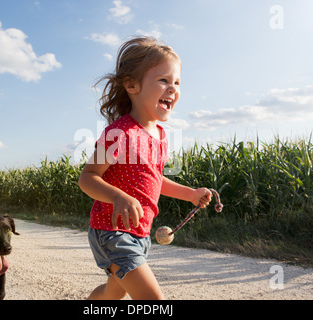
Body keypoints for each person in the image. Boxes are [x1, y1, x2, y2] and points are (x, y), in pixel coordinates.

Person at [78, 36, 212, 300]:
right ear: (132, 85)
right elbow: (88, 177)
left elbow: (155, 179)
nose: (172, 88)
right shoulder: (119, 133)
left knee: (110, 295)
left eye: (177, 82)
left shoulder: (161, 136)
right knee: (153, 301)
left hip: (141, 232)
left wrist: (191, 194)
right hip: (112, 232)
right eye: (163, 80)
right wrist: (118, 196)